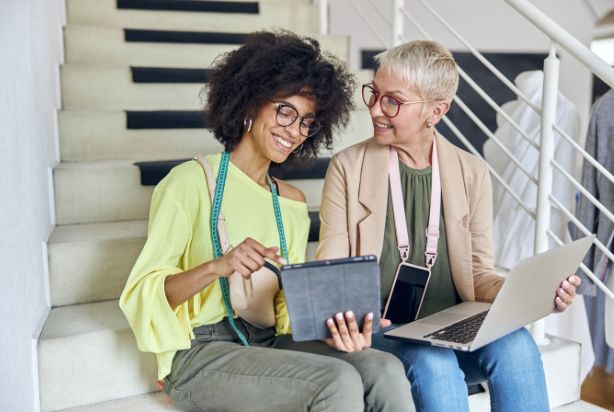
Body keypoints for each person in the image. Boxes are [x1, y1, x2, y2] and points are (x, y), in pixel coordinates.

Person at [119, 31, 413, 412]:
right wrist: (217, 267)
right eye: (285, 111)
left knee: (384, 368)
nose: (293, 130)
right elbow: (145, 294)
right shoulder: (189, 183)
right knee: (336, 381)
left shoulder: (290, 201)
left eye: (306, 121)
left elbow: (282, 313)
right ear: (251, 103)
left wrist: (338, 322)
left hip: (266, 342)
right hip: (200, 353)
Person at [316, 39, 581, 412]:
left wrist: (530, 294)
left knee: (518, 343)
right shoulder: (347, 168)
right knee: (433, 361)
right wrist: (345, 321)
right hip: (382, 331)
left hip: (453, 327)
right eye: (374, 94)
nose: (376, 109)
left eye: (393, 100)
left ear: (435, 110)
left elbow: (477, 272)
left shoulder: (471, 172)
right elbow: (332, 274)